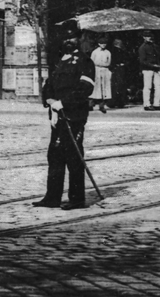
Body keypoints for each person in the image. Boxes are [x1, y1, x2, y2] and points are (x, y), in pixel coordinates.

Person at [35, 34, 96, 210]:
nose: (68, 41)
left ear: (79, 40)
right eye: (65, 38)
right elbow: (48, 85)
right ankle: (52, 197)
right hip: (56, 114)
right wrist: (50, 101)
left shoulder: (85, 61)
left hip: (74, 115)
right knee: (54, 156)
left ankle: (77, 199)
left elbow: (85, 88)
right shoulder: (59, 60)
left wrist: (64, 103)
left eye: (72, 38)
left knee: (74, 156)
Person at [139, 34, 160, 109]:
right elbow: (142, 61)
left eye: (150, 36)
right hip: (147, 69)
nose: (149, 38)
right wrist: (153, 66)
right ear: (144, 37)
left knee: (158, 86)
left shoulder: (154, 46)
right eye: (147, 36)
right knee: (148, 86)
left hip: (156, 69)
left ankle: (157, 104)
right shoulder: (142, 48)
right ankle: (147, 104)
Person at [89, 37, 112, 113]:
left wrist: (104, 65)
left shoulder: (108, 52)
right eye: (102, 44)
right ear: (99, 44)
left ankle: (102, 105)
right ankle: (91, 104)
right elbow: (91, 62)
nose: (103, 45)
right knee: (96, 86)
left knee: (104, 87)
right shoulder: (95, 52)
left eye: (105, 43)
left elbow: (109, 62)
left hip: (105, 69)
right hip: (97, 69)